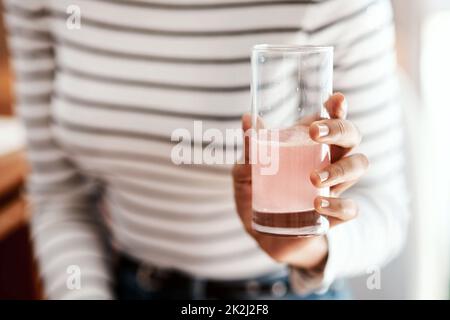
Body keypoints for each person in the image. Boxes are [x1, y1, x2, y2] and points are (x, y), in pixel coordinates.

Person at [3, 0, 408, 299]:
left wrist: (307, 247)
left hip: (285, 292)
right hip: (127, 287)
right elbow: (59, 195)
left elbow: (384, 208)